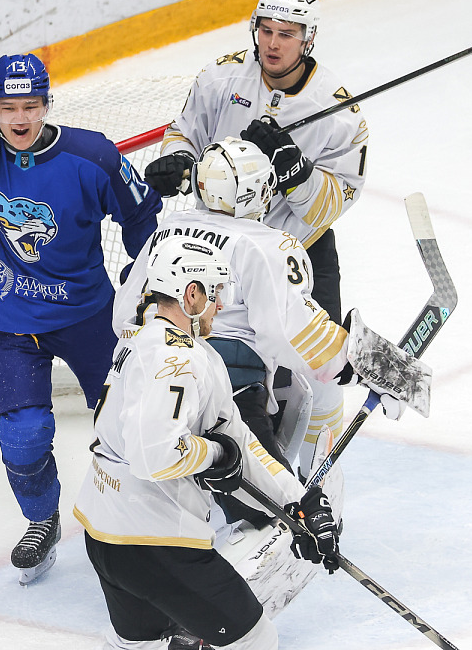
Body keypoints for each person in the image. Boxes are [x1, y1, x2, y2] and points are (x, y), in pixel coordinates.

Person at [0, 14, 163, 581]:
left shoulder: (93, 157)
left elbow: (143, 217)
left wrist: (147, 290)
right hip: (9, 325)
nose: (20, 119)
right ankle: (42, 521)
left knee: (133, 419)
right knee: (24, 436)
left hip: (89, 317)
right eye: (8, 108)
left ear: (47, 105)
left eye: (31, 106)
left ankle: (160, 514)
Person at [75, 236, 340, 650]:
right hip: (156, 540)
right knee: (255, 640)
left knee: (137, 642)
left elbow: (238, 439)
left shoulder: (143, 340)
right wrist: (214, 454)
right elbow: (154, 455)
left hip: (104, 529)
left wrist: (297, 502)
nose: (220, 305)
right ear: (191, 294)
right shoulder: (177, 359)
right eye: (215, 293)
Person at [118, 138, 379, 532]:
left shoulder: (167, 230)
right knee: (274, 510)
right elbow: (290, 334)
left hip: (145, 378)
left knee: (156, 472)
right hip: (227, 387)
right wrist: (363, 365)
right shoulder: (267, 243)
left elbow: (123, 316)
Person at [143, 0, 368, 324]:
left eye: (286, 34)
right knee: (204, 347)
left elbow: (337, 199)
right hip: (215, 245)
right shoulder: (220, 78)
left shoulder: (338, 112)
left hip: (298, 250)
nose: (273, 43)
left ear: (308, 39)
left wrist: (296, 174)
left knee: (323, 355)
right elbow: (183, 133)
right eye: (266, 30)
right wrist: (181, 163)